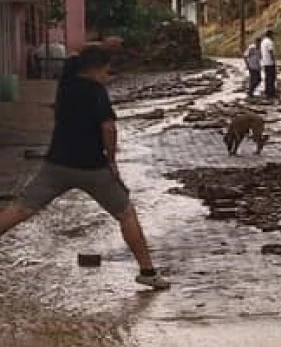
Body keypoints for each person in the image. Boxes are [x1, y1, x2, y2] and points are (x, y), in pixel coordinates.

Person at [0, 46, 170, 290]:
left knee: (19, 209)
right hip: (93, 168)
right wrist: (111, 160)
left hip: (55, 165)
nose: (108, 76)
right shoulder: (96, 91)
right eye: (107, 71)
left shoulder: (66, 85)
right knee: (126, 214)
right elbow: (109, 128)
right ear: (99, 69)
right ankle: (148, 271)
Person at [260, 29, 277, 100]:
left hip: (265, 62)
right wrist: (274, 61)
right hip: (270, 62)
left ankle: (267, 91)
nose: (273, 36)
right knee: (272, 78)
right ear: (270, 35)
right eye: (273, 35)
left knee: (267, 78)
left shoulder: (263, 41)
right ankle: (271, 93)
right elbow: (271, 52)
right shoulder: (269, 42)